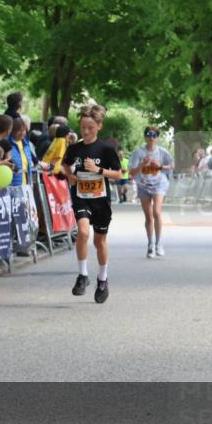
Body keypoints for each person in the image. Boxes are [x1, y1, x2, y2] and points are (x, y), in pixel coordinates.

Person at [62, 104, 121, 304]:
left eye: (90, 127)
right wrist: (70, 175)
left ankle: (102, 279)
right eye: (83, 127)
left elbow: (118, 174)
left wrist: (99, 170)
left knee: (99, 242)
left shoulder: (106, 149)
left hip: (101, 201)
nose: (85, 131)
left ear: (99, 126)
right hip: (81, 196)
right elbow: (64, 163)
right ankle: (83, 275)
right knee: (83, 232)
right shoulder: (74, 148)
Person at [129, 126, 174, 257]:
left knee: (156, 212)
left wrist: (160, 166)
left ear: (157, 138)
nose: (151, 138)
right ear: (145, 136)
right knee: (148, 216)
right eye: (148, 134)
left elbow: (172, 165)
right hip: (143, 185)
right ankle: (151, 244)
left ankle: (159, 243)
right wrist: (142, 165)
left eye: (154, 135)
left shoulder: (162, 152)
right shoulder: (139, 152)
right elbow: (131, 171)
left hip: (159, 184)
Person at [9, 117, 37, 187]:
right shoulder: (7, 144)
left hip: (27, 186)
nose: (22, 133)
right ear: (12, 131)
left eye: (24, 130)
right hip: (13, 186)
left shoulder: (26, 144)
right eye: (19, 131)